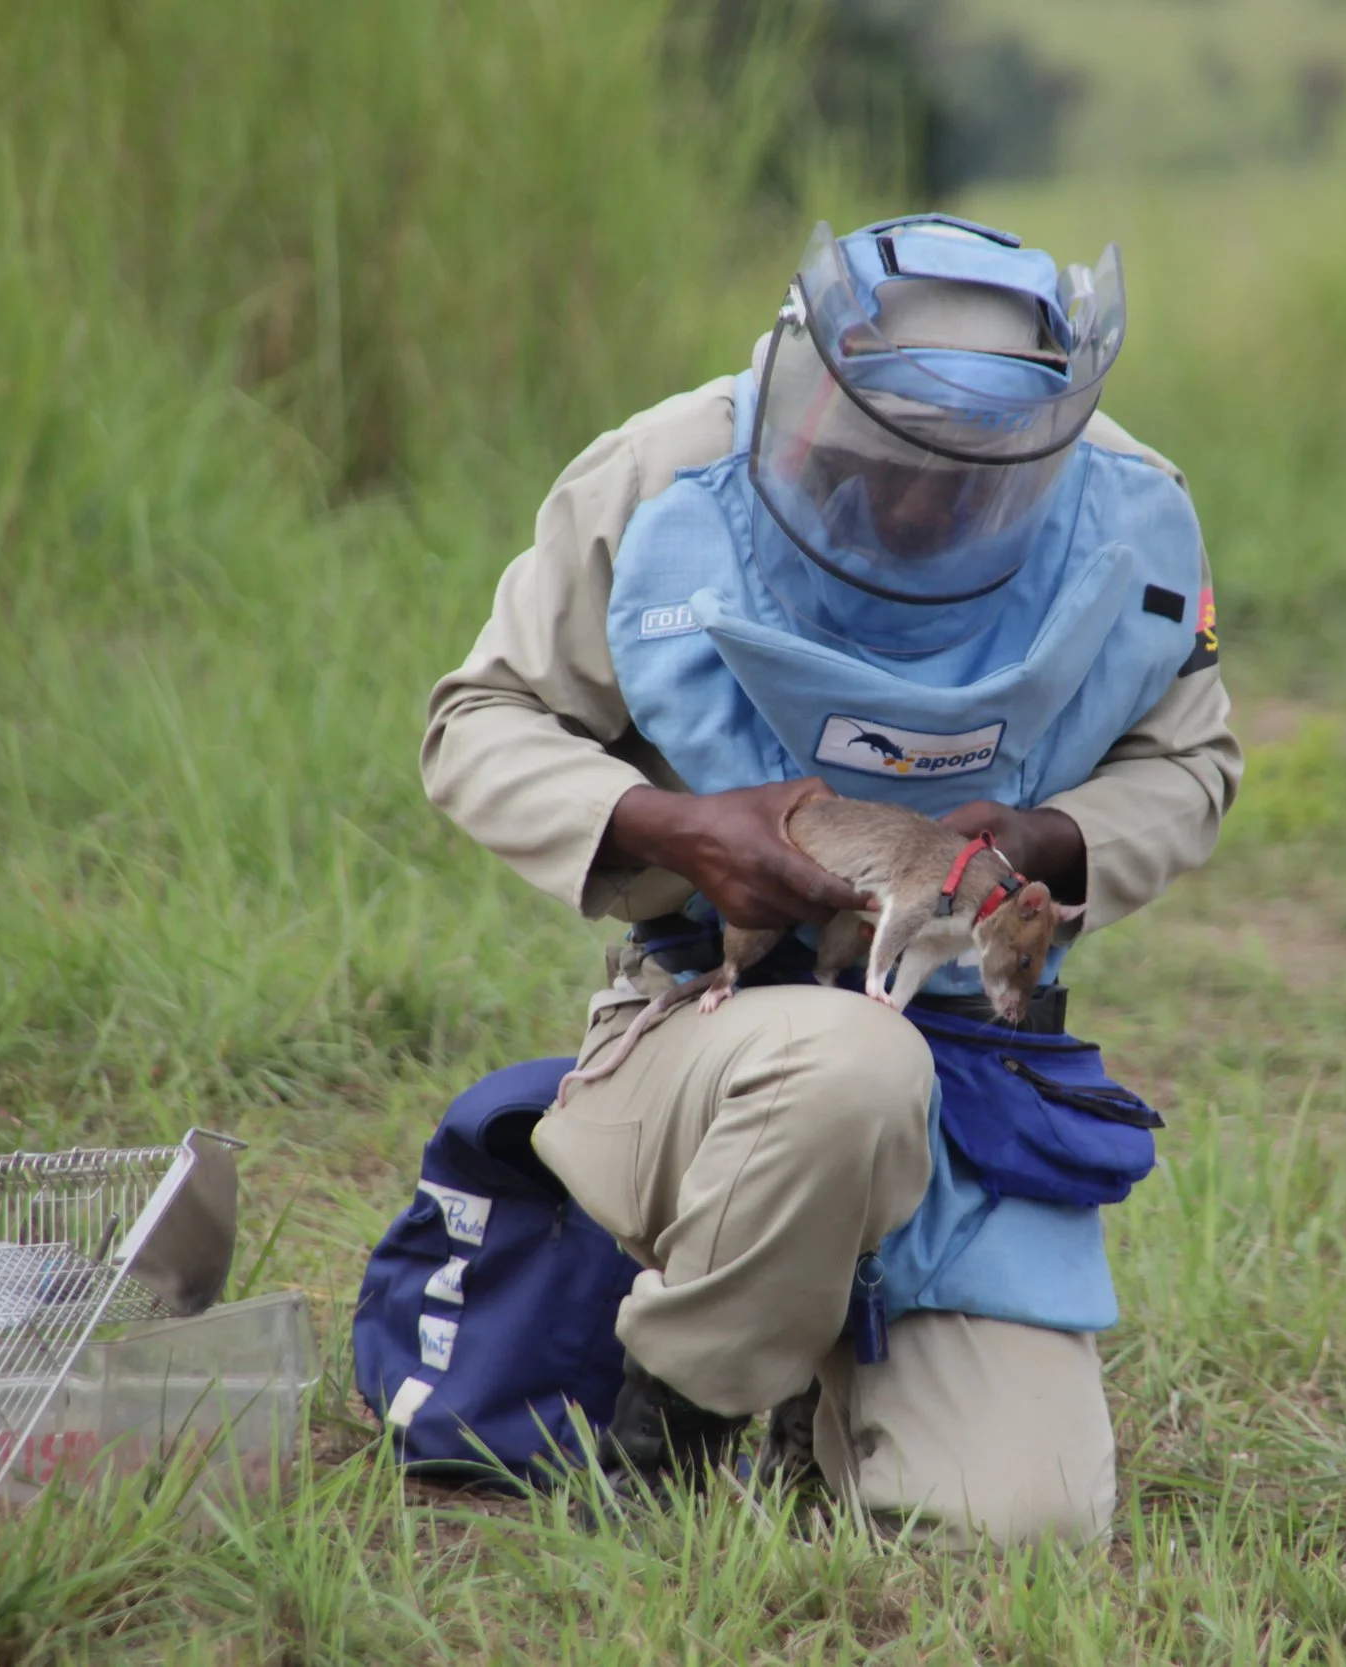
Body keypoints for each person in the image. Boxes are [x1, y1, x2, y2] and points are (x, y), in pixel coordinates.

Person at [421, 213, 1240, 1547]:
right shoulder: (665, 477)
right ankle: (672, 1430)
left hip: (974, 1079)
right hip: (710, 1042)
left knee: (1019, 1517)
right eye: (886, 461)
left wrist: (1041, 841)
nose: (924, 501)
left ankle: (831, 1390)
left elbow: (1193, 765)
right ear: (815, 392)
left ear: (1048, 442)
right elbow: (475, 726)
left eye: (974, 480)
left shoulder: (1136, 519)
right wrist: (675, 827)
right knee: (849, 1063)